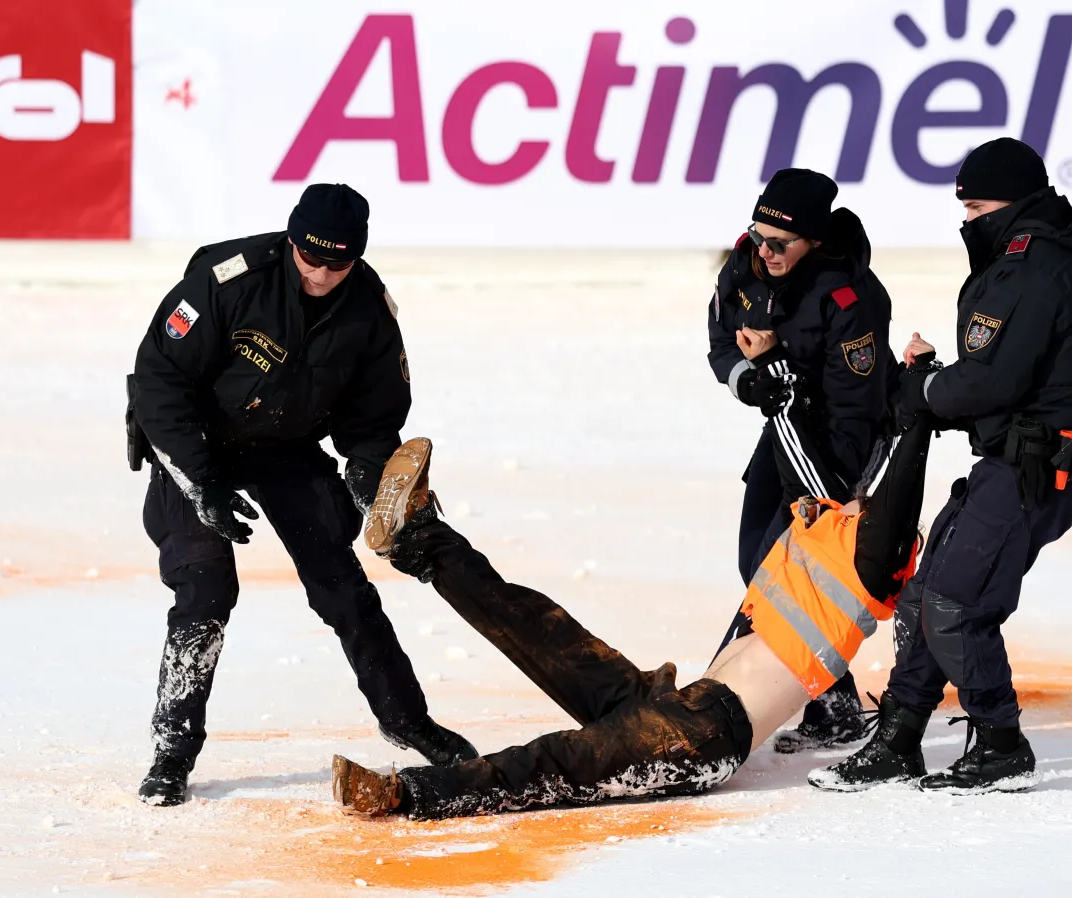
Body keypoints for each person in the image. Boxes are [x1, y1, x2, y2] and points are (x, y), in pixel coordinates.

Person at [330, 407, 935, 819]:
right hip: (674, 701)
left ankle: (404, 795)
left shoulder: (866, 568)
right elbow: (873, 469)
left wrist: (920, 412)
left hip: (700, 739)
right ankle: (420, 539)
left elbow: (901, 485)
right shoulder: (827, 531)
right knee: (539, 629)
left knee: (557, 764)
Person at [127, 184, 476, 806]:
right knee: (205, 586)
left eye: (336, 265)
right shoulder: (227, 279)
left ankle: (406, 720)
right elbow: (159, 378)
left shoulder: (369, 312)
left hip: (284, 447)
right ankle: (171, 753)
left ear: (356, 259)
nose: (319, 275)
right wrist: (198, 478)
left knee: (342, 585)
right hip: (193, 440)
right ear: (292, 242)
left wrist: (372, 490)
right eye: (309, 259)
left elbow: (372, 427)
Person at [811, 137, 1072, 795]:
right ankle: (898, 738)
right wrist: (938, 382)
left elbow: (991, 382)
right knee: (926, 595)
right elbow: (1005, 380)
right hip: (1021, 459)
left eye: (975, 206)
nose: (967, 220)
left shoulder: (1033, 270)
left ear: (1010, 202)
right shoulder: (1043, 263)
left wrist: (921, 388)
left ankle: (1002, 744)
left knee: (954, 602)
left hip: (1037, 469)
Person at [706, 168, 898, 751]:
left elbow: (852, 418)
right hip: (781, 421)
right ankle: (834, 702)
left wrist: (777, 379)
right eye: (758, 235)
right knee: (753, 560)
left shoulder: (851, 298)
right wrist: (750, 382)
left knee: (782, 567)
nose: (765, 251)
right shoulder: (745, 264)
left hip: (840, 440)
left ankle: (727, 707)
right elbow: (720, 341)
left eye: (780, 243)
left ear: (813, 240)